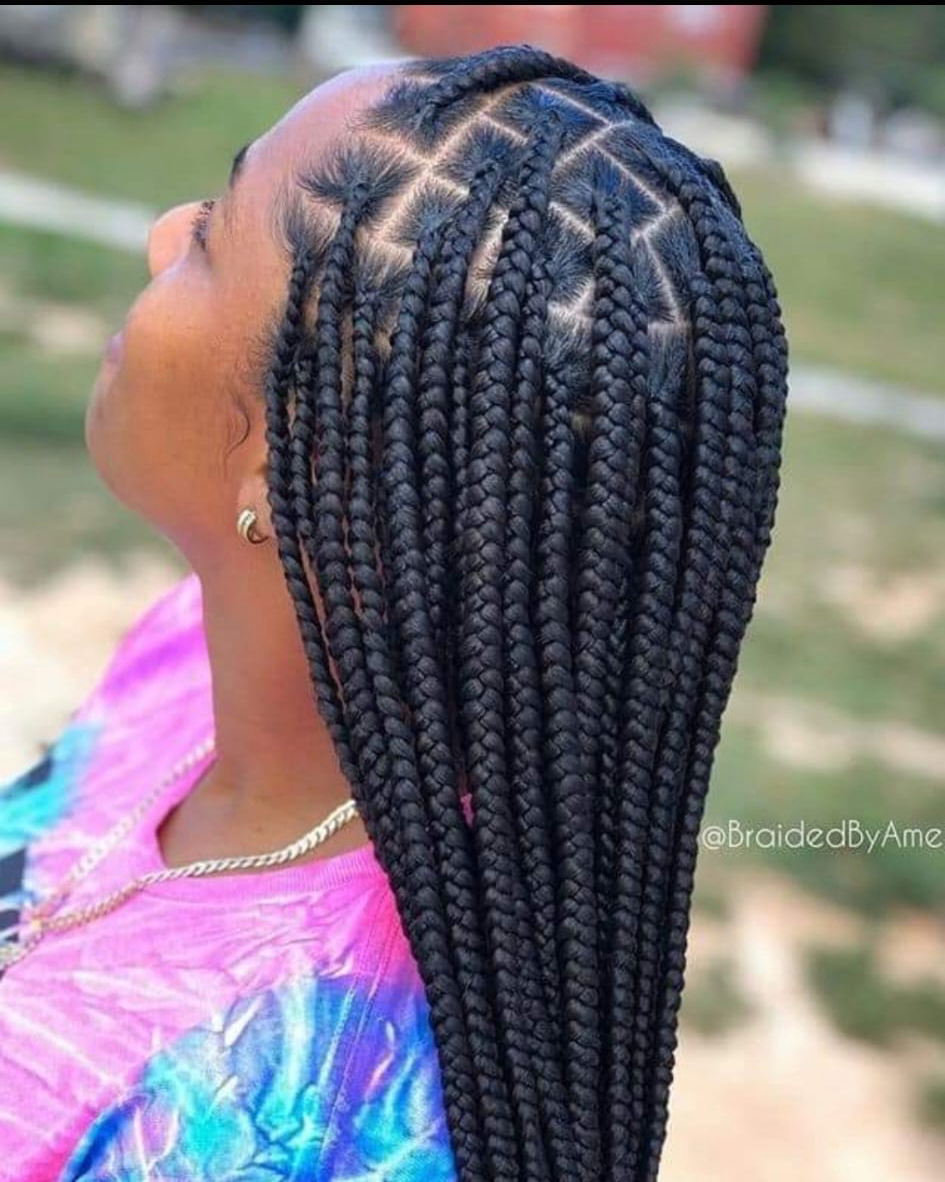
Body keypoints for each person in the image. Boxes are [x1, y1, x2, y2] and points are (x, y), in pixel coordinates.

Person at [0, 43, 789, 1182]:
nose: (162, 231)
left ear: (291, 457)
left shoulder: (285, 1123)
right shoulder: (196, 649)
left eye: (213, 240)